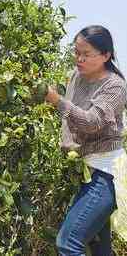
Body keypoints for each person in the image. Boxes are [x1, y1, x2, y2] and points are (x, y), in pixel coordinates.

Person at [44, 25, 127, 256]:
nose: (79, 58)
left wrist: (57, 101)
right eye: (76, 52)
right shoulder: (75, 76)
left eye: (86, 54)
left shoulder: (115, 86)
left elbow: (92, 122)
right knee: (99, 249)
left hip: (106, 173)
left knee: (68, 243)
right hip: (86, 170)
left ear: (106, 55)